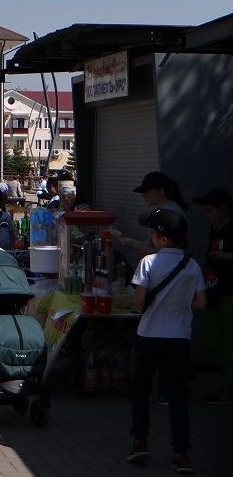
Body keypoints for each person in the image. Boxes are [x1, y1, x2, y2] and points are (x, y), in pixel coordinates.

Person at [126, 209, 206, 473]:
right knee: (177, 396)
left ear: (162, 239)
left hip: (149, 335)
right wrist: (179, 305)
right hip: (179, 337)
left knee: (140, 390)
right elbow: (201, 302)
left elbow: (139, 301)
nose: (150, 237)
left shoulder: (149, 262)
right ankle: (182, 453)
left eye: (152, 233)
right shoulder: (191, 265)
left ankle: (140, 442)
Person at [193, 188, 233, 405]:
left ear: (223, 209)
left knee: (227, 341)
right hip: (213, 290)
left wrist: (229, 255)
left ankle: (228, 388)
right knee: (211, 338)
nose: (207, 215)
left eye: (210, 210)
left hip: (229, 293)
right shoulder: (215, 228)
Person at [113, 171, 188, 259]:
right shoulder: (162, 210)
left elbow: (164, 253)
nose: (143, 195)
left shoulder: (171, 214)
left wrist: (130, 242)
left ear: (160, 191)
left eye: (147, 191)